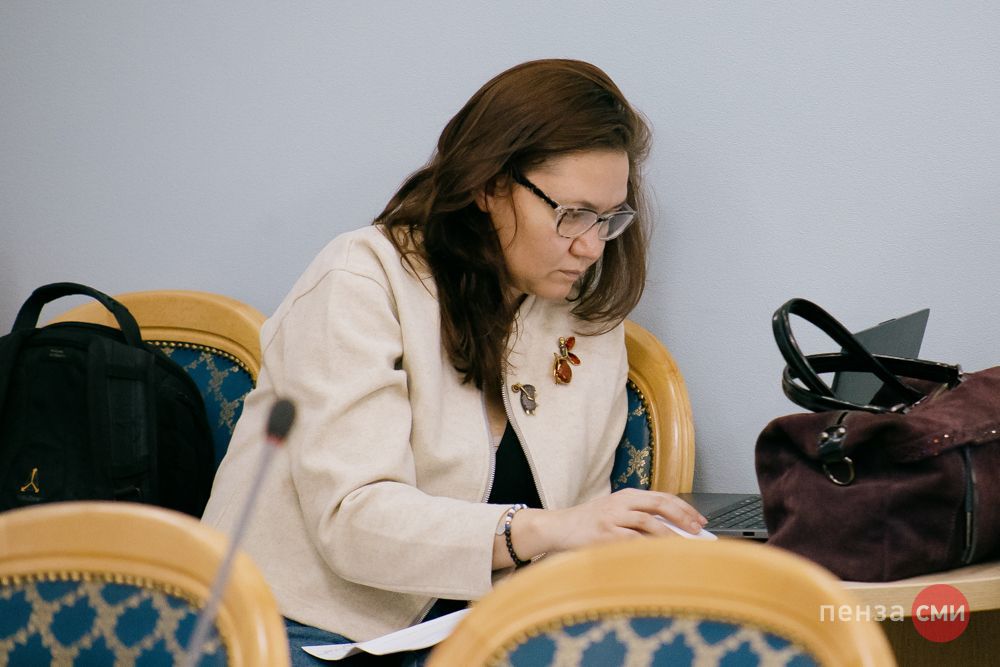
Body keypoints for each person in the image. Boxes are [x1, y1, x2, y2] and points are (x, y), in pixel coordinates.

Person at [201, 58, 707, 666]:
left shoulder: (586, 321)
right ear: (489, 186)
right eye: (571, 214)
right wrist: (546, 528)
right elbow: (352, 522)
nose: (590, 246)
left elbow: (577, 540)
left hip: (475, 639)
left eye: (608, 219)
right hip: (295, 630)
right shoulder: (362, 279)